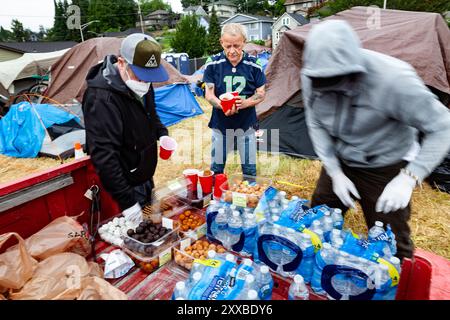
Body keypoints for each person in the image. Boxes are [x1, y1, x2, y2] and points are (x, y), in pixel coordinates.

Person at [301, 20, 450, 260]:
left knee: (390, 243)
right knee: (316, 222)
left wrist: (409, 177)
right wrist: (334, 171)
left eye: (338, 80)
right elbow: (316, 122)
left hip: (384, 165)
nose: (331, 88)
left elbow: (443, 127)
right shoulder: (312, 75)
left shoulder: (395, 80)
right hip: (341, 160)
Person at [82, 33, 172, 223]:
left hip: (145, 174)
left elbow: (150, 114)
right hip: (125, 184)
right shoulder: (101, 98)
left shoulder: (144, 84)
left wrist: (161, 133)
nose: (144, 83)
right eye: (140, 76)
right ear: (122, 63)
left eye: (149, 78)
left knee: (154, 222)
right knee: (140, 234)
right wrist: (127, 203)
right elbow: (104, 155)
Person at [203, 23, 266, 177]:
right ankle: (215, 198)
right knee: (216, 168)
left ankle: (249, 198)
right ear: (221, 43)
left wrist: (245, 103)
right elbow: (209, 94)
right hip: (221, 123)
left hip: (247, 124)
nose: (232, 51)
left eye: (236, 46)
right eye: (228, 46)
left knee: (250, 170)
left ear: (244, 42)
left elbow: (261, 93)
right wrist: (222, 105)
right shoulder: (212, 63)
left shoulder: (254, 64)